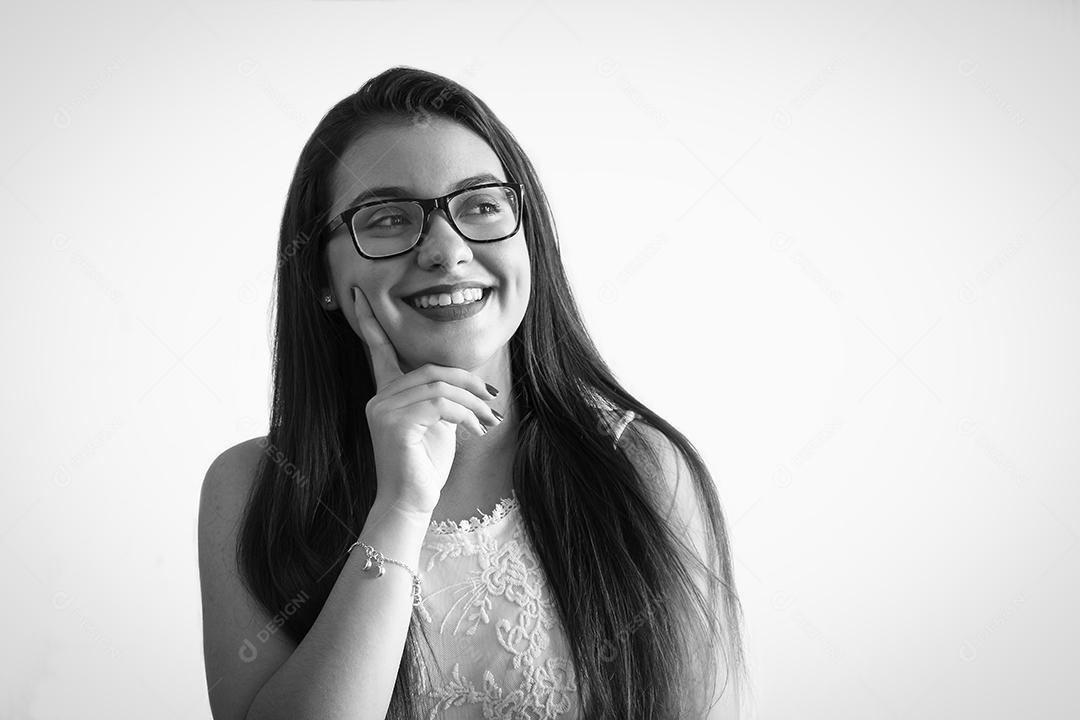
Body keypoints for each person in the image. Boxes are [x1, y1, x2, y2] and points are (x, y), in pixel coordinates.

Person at [198, 66, 748, 720]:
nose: (446, 249)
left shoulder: (645, 469)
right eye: (389, 218)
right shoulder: (251, 487)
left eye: (480, 205)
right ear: (321, 271)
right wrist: (400, 509)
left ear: (528, 239)